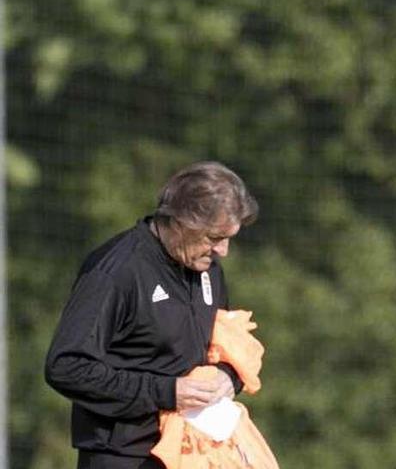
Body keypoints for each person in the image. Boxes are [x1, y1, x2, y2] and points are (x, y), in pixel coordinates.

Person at [44, 161, 259, 468]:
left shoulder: (208, 269)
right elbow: (66, 367)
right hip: (124, 455)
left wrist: (229, 377)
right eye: (214, 238)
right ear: (182, 222)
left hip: (192, 453)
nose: (223, 251)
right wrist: (167, 392)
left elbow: (220, 344)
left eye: (229, 238)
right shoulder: (116, 271)